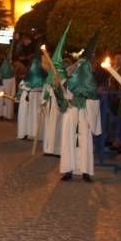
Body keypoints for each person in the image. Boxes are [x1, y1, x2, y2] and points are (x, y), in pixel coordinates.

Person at [59, 33, 101, 182]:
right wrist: (64, 92)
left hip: (84, 114)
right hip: (71, 113)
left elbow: (94, 100)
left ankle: (85, 171)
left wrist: (85, 102)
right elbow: (63, 97)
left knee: (85, 142)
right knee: (69, 141)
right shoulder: (69, 79)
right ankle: (68, 170)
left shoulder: (91, 83)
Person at [43, 24, 70, 155]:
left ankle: (57, 150)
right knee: (49, 127)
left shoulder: (63, 79)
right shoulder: (52, 77)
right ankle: (49, 148)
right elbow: (47, 88)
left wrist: (59, 86)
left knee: (58, 128)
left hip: (60, 109)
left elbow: (65, 94)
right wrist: (44, 98)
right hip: (50, 108)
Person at [17, 52, 46, 140]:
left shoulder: (29, 76)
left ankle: (28, 133)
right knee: (33, 115)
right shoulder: (44, 76)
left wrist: (18, 95)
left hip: (29, 96)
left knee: (28, 114)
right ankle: (31, 133)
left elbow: (21, 85)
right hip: (35, 97)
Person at [0, 49, 16, 121]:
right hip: (9, 85)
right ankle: (7, 115)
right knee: (8, 99)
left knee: (1, 99)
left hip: (2, 85)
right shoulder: (12, 71)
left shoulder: (2, 69)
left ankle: (1, 114)